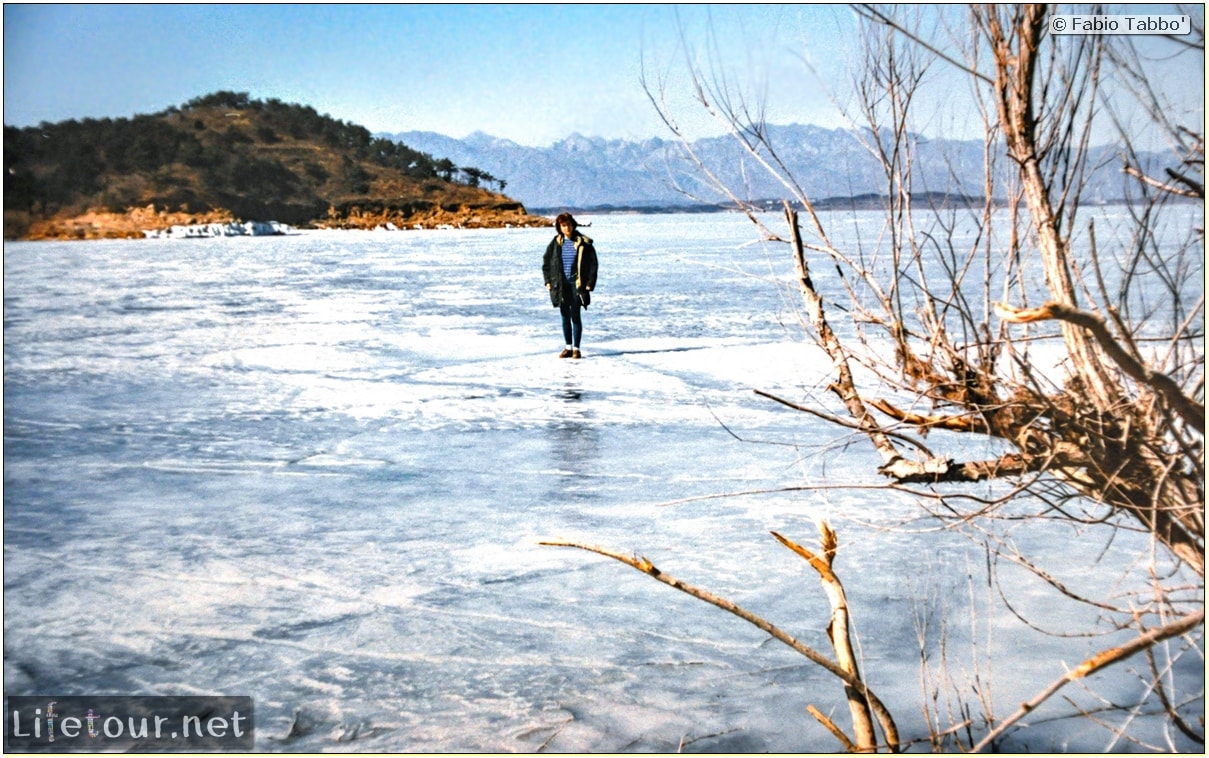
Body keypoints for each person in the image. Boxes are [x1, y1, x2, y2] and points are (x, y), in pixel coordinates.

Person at [542, 212, 597, 359]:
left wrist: (590, 284)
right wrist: (548, 281)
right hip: (561, 286)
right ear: (560, 227)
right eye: (563, 226)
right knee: (564, 316)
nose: (567, 228)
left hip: (577, 285)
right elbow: (546, 263)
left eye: (569, 225)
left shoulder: (583, 243)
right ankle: (568, 347)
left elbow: (593, 265)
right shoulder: (556, 243)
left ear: (573, 225)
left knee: (576, 316)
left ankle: (576, 349)